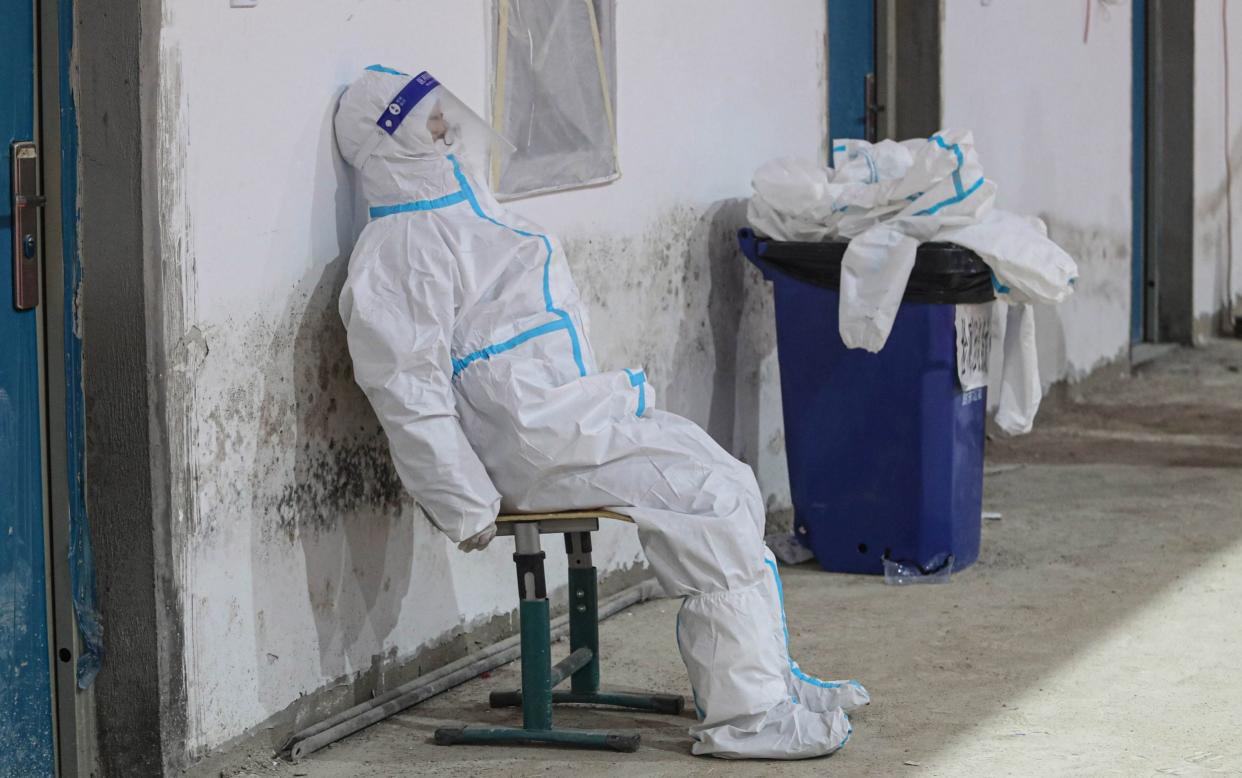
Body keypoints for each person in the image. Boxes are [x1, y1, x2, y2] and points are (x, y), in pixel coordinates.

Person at [334, 65, 868, 759]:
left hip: (569, 419)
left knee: (729, 482)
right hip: (536, 444)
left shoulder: (458, 211)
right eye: (427, 120)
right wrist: (464, 505)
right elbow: (408, 392)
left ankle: (773, 683)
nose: (446, 128)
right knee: (705, 500)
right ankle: (748, 716)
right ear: (390, 139)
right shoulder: (400, 249)